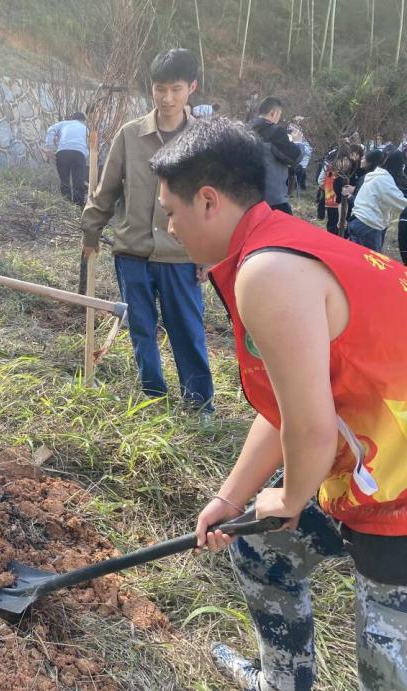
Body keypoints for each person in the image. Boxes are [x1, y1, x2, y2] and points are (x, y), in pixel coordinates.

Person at [150, 117, 407, 691]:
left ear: (208, 201)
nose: (169, 226)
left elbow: (312, 431)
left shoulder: (268, 272)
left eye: (171, 211)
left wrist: (291, 497)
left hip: (399, 483)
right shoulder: (277, 243)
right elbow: (291, 406)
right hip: (378, 452)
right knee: (262, 546)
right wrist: (231, 498)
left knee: (388, 672)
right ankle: (283, 681)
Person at [81, 48, 214, 411]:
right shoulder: (130, 135)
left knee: (187, 330)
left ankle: (200, 404)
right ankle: (153, 398)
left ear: (192, 88)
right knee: (141, 330)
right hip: (132, 252)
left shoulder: (204, 141)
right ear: (151, 87)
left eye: (175, 89)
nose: (167, 98)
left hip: (181, 256)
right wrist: (91, 232)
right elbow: (106, 190)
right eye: (160, 89)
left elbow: (213, 204)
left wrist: (210, 255)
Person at [247, 97, 303, 215]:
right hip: (272, 199)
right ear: (273, 113)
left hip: (247, 197)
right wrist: (297, 142)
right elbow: (295, 157)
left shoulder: (246, 128)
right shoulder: (275, 132)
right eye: (279, 114)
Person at [347, 148, 407, 252]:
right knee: (368, 259)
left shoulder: (376, 174)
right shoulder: (384, 180)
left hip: (358, 221)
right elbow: (401, 202)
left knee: (353, 256)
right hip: (368, 226)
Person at [45, 112, 89, 206]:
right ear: (83, 121)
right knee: (78, 182)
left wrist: (50, 148)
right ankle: (78, 207)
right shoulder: (85, 128)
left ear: (71, 118)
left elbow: (50, 130)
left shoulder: (64, 123)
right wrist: (84, 158)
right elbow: (87, 146)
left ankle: (66, 206)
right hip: (79, 153)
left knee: (64, 181)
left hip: (63, 152)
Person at [317, 155, 348, 235]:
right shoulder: (330, 168)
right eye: (343, 160)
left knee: (336, 223)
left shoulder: (348, 172)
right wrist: (327, 190)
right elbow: (321, 181)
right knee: (333, 222)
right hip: (332, 199)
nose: (345, 163)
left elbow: (321, 181)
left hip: (338, 200)